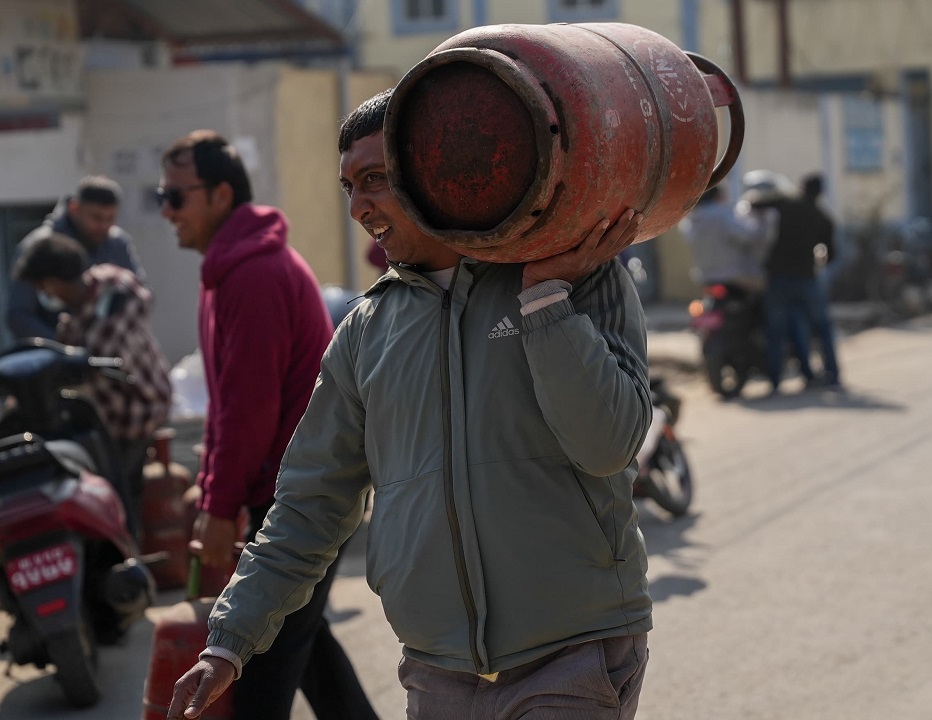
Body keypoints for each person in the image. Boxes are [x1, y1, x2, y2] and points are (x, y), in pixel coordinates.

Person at [168, 89, 654, 720]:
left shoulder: (571, 271)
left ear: (437, 167)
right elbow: (309, 504)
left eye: (375, 180)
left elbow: (608, 443)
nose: (358, 207)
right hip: (437, 671)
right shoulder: (367, 331)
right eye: (348, 187)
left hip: (574, 654)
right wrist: (228, 642)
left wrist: (544, 302)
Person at [158, 130, 377, 720]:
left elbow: (246, 411)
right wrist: (214, 494)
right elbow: (226, 405)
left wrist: (220, 506)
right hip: (287, 491)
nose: (166, 211)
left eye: (177, 197)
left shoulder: (252, 274)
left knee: (257, 673)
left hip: (300, 504)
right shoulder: (227, 269)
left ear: (220, 194)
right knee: (308, 653)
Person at [12, 233, 172, 536]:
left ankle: (128, 561)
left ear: (53, 284)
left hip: (137, 411)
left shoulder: (116, 295)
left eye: (40, 288)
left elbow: (103, 354)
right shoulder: (83, 302)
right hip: (106, 414)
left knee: (117, 498)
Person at [7, 175, 145, 341]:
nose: (103, 226)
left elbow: (140, 295)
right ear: (74, 208)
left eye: (110, 219)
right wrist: (65, 350)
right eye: (96, 217)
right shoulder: (41, 247)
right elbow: (19, 315)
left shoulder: (117, 243)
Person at [763, 173, 842, 392]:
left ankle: (774, 380)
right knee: (823, 328)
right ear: (820, 193)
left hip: (778, 278)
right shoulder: (822, 217)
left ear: (800, 188)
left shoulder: (785, 205)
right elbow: (832, 254)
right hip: (806, 278)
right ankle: (833, 374)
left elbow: (757, 204)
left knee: (776, 331)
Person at [681, 184, 772, 294]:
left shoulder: (690, 219)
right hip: (734, 276)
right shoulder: (722, 214)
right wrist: (760, 220)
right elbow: (748, 236)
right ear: (718, 195)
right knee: (769, 291)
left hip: (704, 276)